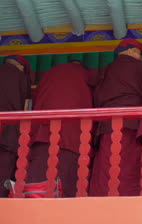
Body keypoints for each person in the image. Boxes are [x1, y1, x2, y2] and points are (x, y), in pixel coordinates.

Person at [89, 38, 142, 196]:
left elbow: (97, 96)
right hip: (132, 122)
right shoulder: (140, 68)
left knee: (106, 164)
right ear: (130, 51)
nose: (140, 57)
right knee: (130, 165)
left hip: (106, 124)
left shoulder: (107, 70)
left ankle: (103, 198)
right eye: (138, 53)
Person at [26, 59, 93, 197]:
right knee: (66, 184)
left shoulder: (49, 73)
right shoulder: (85, 76)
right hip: (73, 137)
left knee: (37, 181)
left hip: (43, 133)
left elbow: (35, 98)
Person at [0, 55, 31, 197]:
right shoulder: (20, 77)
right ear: (21, 66)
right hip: (8, 132)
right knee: (4, 171)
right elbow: (26, 108)